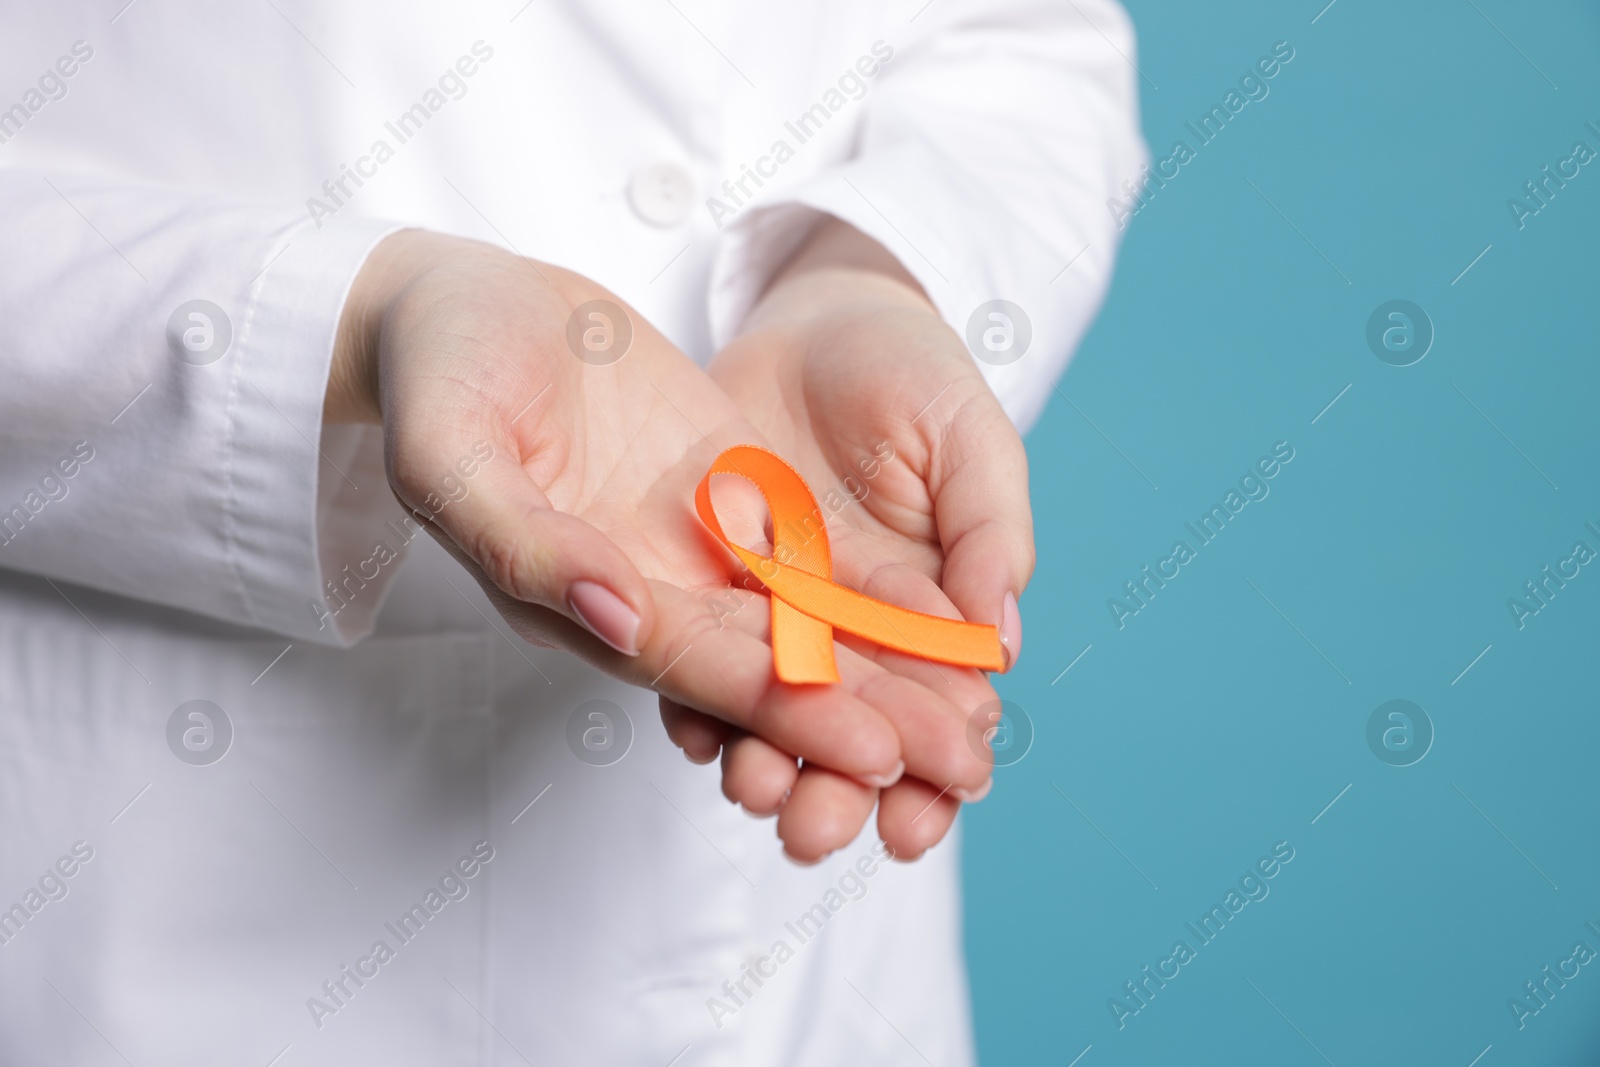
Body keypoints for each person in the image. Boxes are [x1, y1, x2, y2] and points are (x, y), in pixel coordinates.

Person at [0, 2, 1144, 1063]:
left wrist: (872, 271)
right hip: (176, 918)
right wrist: (345, 323)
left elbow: (1021, 38)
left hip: (820, 985)